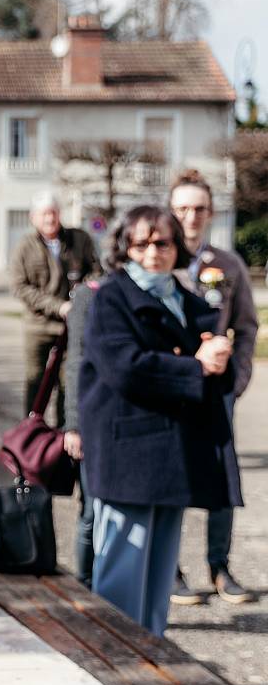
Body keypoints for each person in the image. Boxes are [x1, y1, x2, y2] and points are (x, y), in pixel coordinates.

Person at [78, 206, 240, 636]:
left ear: (176, 247)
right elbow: (124, 367)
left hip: (171, 454)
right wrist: (195, 367)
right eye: (141, 243)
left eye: (162, 242)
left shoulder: (185, 299)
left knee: (157, 582)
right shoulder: (111, 296)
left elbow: (206, 359)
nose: (153, 252)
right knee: (121, 579)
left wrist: (218, 358)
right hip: (127, 452)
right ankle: (118, 668)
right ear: (125, 248)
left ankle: (151, 659)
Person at [168, 169, 259, 606]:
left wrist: (238, 379)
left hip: (215, 391)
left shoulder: (227, 264)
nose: (191, 216)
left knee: (222, 480)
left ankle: (219, 566)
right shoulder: (157, 260)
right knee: (170, 475)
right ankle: (170, 569)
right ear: (171, 212)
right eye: (183, 208)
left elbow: (246, 325)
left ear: (211, 213)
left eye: (199, 208)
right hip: (169, 388)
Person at [10, 191, 101, 426]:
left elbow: (96, 272)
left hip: (72, 327)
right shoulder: (24, 247)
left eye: (53, 213)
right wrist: (59, 307)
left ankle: (63, 437)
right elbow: (20, 287)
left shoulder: (79, 239)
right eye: (44, 214)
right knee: (35, 382)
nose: (50, 219)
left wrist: (81, 297)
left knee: (68, 383)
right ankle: (31, 435)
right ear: (33, 218)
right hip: (38, 327)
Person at [61, 272, 103, 587]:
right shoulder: (88, 296)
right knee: (90, 511)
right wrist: (73, 425)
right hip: (93, 421)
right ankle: (85, 585)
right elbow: (74, 362)